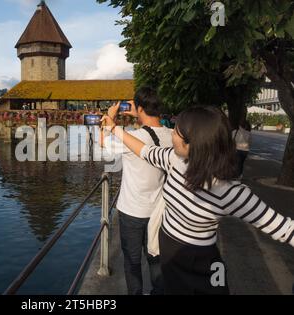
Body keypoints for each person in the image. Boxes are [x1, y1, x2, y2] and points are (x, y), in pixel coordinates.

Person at [101, 106, 294, 295]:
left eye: (176, 131)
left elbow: (285, 229)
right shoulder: (176, 159)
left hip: (202, 263)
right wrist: (114, 128)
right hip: (168, 252)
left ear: (193, 143)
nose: (171, 135)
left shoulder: (231, 192)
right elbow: (144, 150)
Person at [100, 87, 173, 295]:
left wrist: (109, 119)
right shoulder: (172, 135)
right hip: (159, 211)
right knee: (155, 258)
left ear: (139, 108)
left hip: (131, 211)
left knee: (132, 261)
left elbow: (104, 146)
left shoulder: (132, 137)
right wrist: (139, 113)